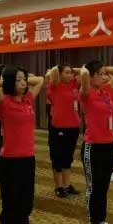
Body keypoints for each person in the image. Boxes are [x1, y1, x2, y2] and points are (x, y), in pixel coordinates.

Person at [0, 66, 44, 224]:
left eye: (24, 80)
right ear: (11, 82)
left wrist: (24, 79)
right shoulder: (3, 102)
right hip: (10, 162)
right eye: (19, 80)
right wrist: (8, 81)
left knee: (25, 207)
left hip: (28, 160)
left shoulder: (28, 99)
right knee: (10, 208)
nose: (24, 83)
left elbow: (40, 80)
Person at [80, 61, 113, 224]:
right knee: (94, 187)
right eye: (99, 73)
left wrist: (103, 71)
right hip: (93, 146)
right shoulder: (86, 93)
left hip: (108, 145)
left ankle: (102, 220)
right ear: (90, 76)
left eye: (104, 73)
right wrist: (85, 69)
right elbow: (84, 75)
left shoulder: (105, 91)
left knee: (104, 187)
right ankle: (93, 223)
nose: (104, 76)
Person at [46, 64, 81, 198]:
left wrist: (73, 70)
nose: (70, 75)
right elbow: (49, 74)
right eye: (66, 72)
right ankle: (59, 186)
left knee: (68, 157)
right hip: (58, 127)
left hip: (73, 127)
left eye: (71, 73)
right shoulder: (54, 86)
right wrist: (58, 70)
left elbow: (84, 72)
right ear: (59, 74)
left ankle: (67, 185)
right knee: (57, 157)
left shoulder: (73, 85)